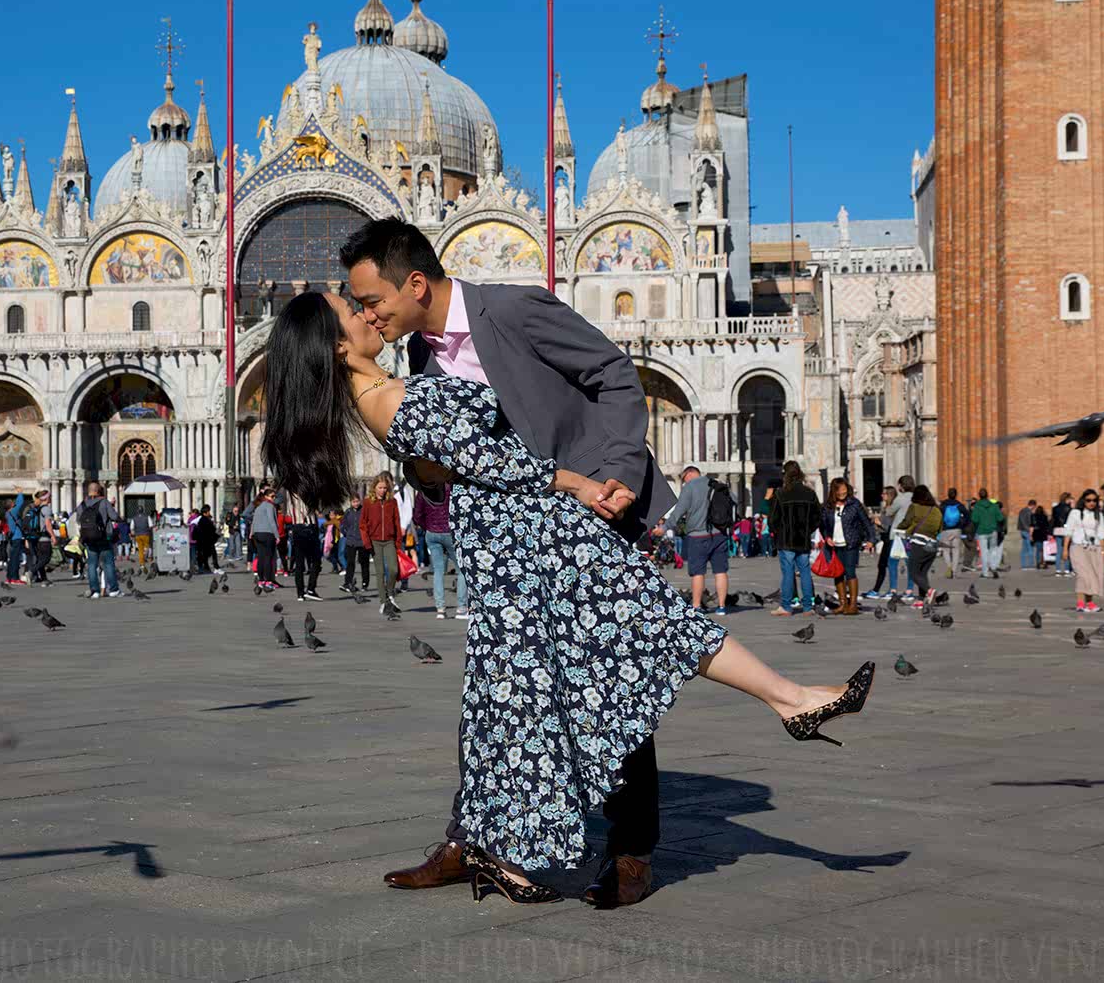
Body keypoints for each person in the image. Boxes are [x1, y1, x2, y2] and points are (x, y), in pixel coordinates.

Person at [260, 290, 874, 903]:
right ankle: (788, 703)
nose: (368, 313)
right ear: (338, 344)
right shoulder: (388, 398)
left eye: (365, 301)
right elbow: (497, 463)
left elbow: (462, 461)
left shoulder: (391, 385)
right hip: (534, 540)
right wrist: (576, 483)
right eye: (352, 311)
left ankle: (789, 702)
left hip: (530, 538)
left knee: (547, 687)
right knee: (620, 647)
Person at [341, 217, 681, 908]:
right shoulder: (419, 361)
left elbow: (613, 372)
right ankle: (474, 839)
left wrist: (614, 473)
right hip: (510, 550)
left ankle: (630, 848)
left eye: (371, 300)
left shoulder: (515, 308)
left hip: (590, 514)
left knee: (610, 682)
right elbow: (464, 465)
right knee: (494, 691)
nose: (365, 313)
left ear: (414, 282)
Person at [664, 466, 734, 615]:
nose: (684, 482)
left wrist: (665, 527)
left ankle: (696, 606)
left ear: (689, 474)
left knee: (698, 573)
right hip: (719, 534)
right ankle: (721, 607)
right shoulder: (716, 483)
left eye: (684, 479)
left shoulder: (690, 487)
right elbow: (733, 500)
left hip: (698, 536)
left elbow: (679, 511)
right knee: (721, 571)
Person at [768, 460, 821, 616]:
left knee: (788, 572)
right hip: (803, 539)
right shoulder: (809, 493)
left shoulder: (780, 493)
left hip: (786, 540)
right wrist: (807, 530)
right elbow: (817, 516)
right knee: (804, 572)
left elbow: (772, 519)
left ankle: (786, 606)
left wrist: (777, 532)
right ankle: (807, 607)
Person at [821, 478, 876, 615]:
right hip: (835, 544)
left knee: (850, 572)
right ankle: (842, 604)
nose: (842, 493)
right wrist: (827, 537)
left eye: (844, 490)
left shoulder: (854, 504)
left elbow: (866, 522)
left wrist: (871, 539)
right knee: (838, 573)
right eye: (839, 490)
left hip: (851, 543)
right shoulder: (828, 506)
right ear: (834, 491)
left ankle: (852, 605)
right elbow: (823, 525)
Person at [414, 484, 467, 619]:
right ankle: (461, 608)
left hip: (431, 533)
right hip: (449, 532)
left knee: (438, 571)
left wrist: (428, 527)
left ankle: (440, 609)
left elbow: (417, 515)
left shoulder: (423, 491)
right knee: (461, 569)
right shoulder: (451, 489)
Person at [360, 473, 404, 610]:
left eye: (385, 488)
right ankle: (383, 601)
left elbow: (397, 522)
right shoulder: (368, 502)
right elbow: (362, 524)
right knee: (380, 572)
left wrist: (398, 541)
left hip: (389, 540)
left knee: (393, 569)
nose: (383, 490)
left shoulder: (392, 502)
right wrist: (367, 542)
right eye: (380, 488)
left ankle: (390, 593)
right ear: (374, 488)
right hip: (374, 541)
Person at [897, 486, 943, 606]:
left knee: (913, 572)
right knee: (922, 573)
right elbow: (940, 528)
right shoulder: (936, 509)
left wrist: (898, 528)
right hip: (932, 545)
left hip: (919, 543)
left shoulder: (915, 507)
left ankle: (929, 591)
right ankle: (921, 600)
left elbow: (906, 522)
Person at [1063, 489, 1104, 612]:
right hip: (1078, 547)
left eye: (1094, 500)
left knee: (1093, 575)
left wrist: (1103, 551)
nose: (1091, 503)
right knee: (1083, 575)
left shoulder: (1099, 515)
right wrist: (1065, 550)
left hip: (1094, 548)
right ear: (1083, 501)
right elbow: (1068, 532)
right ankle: (1080, 603)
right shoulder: (1075, 513)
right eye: (1088, 500)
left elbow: (1101, 533)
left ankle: (1090, 602)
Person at [77, 482, 123, 598]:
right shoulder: (104, 502)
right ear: (98, 491)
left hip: (89, 538)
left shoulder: (82, 505)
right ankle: (113, 590)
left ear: (88, 491)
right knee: (108, 563)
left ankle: (95, 591)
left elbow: (78, 520)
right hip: (103, 537)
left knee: (92, 564)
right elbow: (114, 517)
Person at [865, 483, 909, 599]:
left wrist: (880, 523)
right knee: (883, 565)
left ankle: (884, 590)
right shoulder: (886, 508)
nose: (881, 495)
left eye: (884, 493)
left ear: (889, 495)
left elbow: (890, 526)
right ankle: (878, 589)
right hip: (886, 539)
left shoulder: (892, 510)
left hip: (891, 540)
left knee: (887, 565)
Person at [288, 508, 324, 602]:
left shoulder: (291, 496)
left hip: (297, 528)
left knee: (299, 564)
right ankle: (311, 589)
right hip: (309, 527)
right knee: (316, 561)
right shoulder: (310, 495)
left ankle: (300, 593)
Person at [970, 489, 1006, 578]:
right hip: (993, 530)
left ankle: (985, 572)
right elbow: (1001, 518)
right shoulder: (993, 506)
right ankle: (993, 567)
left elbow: (974, 519)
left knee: (984, 552)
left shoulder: (977, 506)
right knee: (993, 550)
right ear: (987, 495)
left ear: (979, 496)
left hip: (982, 531)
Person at [250, 489, 280, 590]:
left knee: (261, 557)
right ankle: (268, 581)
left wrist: (252, 532)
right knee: (268, 557)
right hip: (267, 533)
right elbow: (272, 521)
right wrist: (277, 535)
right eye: (272, 496)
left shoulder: (258, 507)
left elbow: (254, 520)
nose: (274, 498)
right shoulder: (270, 506)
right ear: (266, 496)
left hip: (257, 534)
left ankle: (261, 579)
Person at [340, 494, 370, 592]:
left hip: (362, 541)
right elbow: (343, 525)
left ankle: (365, 583)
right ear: (351, 502)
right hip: (351, 541)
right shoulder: (348, 512)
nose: (356, 504)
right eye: (354, 502)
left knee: (364, 563)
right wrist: (346, 533)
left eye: (357, 501)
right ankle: (347, 582)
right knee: (350, 563)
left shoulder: (364, 511)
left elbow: (369, 523)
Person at [938, 487, 968, 579]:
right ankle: (954, 572)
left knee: (946, 550)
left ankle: (949, 567)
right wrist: (962, 525)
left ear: (948, 494)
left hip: (945, 530)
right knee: (956, 551)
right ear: (956, 495)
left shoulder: (943, 505)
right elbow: (967, 516)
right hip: (957, 530)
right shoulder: (959, 505)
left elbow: (938, 516)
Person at [3, 497, 28, 584]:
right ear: (11, 505)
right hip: (17, 536)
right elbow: (20, 503)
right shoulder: (13, 511)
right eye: (13, 502)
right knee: (16, 559)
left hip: (13, 538)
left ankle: (9, 578)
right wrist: (20, 493)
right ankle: (15, 578)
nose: (15, 503)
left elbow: (17, 504)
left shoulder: (8, 513)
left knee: (12, 558)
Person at [1052, 492, 1075, 577]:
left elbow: (1053, 520)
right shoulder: (1069, 509)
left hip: (1057, 530)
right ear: (1067, 499)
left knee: (1059, 551)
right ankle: (1067, 570)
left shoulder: (1055, 508)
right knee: (1067, 550)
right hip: (1066, 530)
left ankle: (1058, 570)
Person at [193, 505, 219, 573]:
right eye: (208, 511)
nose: (209, 513)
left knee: (206, 555)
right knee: (210, 554)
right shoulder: (204, 520)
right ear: (205, 512)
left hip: (204, 541)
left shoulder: (202, 520)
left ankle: (206, 567)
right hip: (207, 541)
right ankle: (214, 567)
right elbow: (211, 530)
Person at [1017, 500, 1037, 570]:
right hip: (1026, 531)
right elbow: (1026, 522)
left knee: (1024, 548)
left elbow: (1021, 521)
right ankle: (1030, 564)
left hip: (1022, 530)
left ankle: (1023, 565)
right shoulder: (1028, 511)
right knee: (1030, 547)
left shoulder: (1022, 510)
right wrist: (1029, 530)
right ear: (1033, 505)